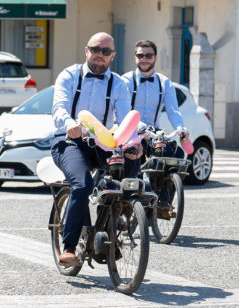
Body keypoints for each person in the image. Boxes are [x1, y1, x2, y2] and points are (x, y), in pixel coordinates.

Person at [50, 32, 138, 266]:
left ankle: (114, 217)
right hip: (69, 141)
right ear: (86, 50)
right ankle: (69, 247)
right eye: (95, 49)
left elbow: (125, 116)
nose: (100, 55)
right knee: (82, 184)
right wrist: (69, 124)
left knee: (130, 162)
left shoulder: (118, 83)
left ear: (113, 57)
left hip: (102, 142)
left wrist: (132, 143)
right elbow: (59, 108)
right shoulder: (69, 75)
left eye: (106, 52)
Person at [121, 40, 189, 216]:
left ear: (155, 58)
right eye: (140, 55)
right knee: (130, 160)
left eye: (148, 55)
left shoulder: (164, 83)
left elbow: (173, 110)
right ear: (135, 57)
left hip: (153, 134)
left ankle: (164, 202)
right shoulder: (125, 81)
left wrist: (181, 128)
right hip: (131, 133)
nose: (144, 59)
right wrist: (140, 128)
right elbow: (123, 110)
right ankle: (126, 204)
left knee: (178, 155)